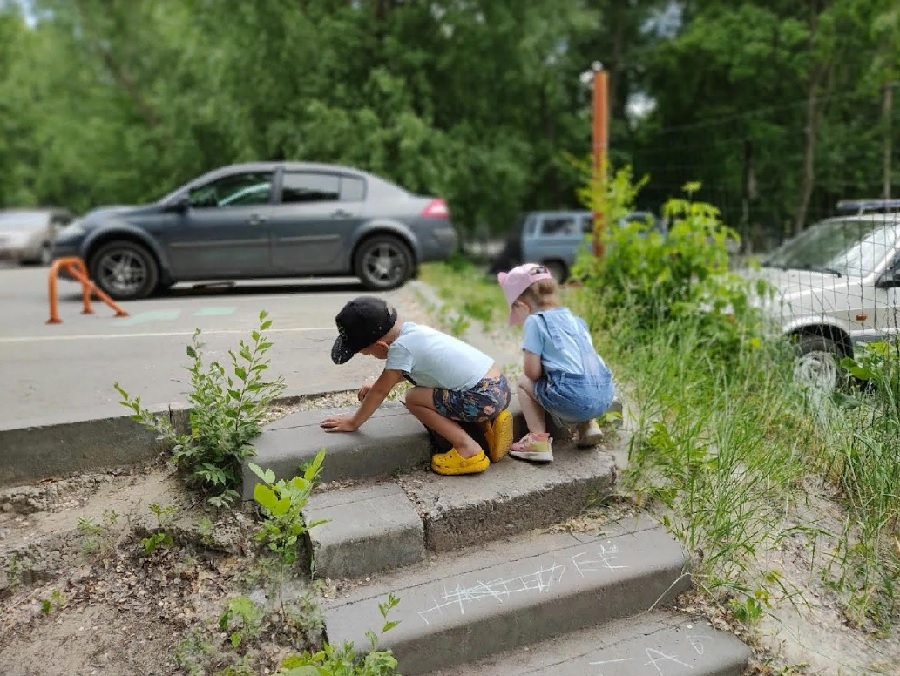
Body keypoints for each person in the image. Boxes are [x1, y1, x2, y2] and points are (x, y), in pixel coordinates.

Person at [320, 296, 513, 476]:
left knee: (414, 399)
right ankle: (488, 427)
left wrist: (353, 422)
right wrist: (377, 385)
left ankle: (468, 450)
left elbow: (381, 390)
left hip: (480, 398)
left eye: (367, 353)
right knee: (443, 395)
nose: (370, 356)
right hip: (499, 387)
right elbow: (418, 371)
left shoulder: (400, 349)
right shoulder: (414, 331)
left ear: (380, 346)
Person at [497, 263, 615, 462]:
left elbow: (532, 373)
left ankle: (538, 441)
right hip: (604, 394)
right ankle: (588, 426)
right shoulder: (575, 320)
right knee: (581, 376)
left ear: (521, 304)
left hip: (573, 397)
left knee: (523, 381)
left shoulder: (535, 321)